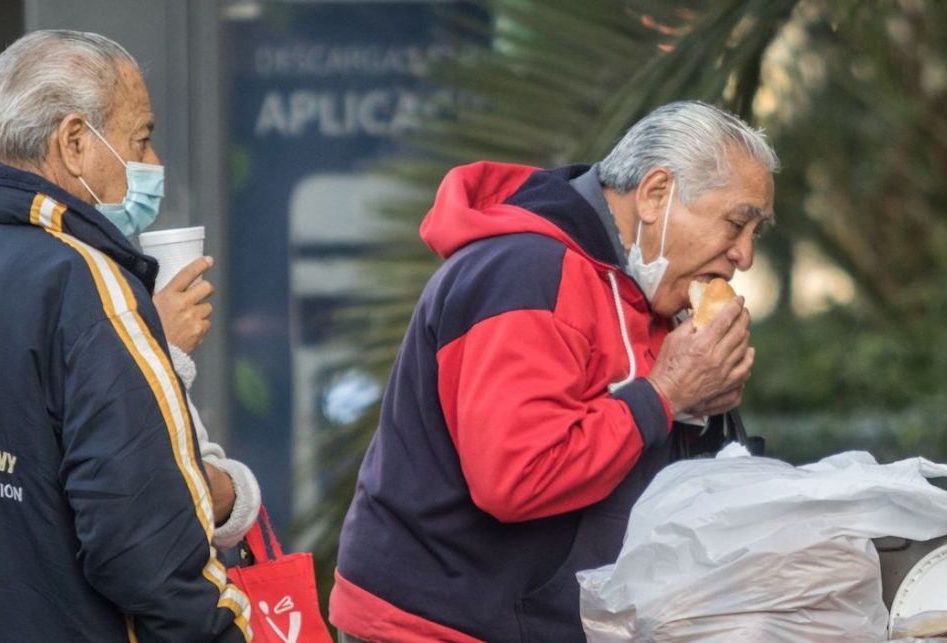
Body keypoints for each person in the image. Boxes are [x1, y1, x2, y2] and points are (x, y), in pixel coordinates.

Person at [330, 100, 778, 641]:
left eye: (756, 232)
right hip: (439, 625)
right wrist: (665, 393)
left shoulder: (648, 290)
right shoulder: (526, 272)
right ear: (657, 194)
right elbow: (517, 478)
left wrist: (701, 405)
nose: (744, 255)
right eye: (736, 223)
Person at [0, 30, 251, 640]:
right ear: (73, 142)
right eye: (141, 138)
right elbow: (141, 542)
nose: (153, 164)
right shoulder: (87, 282)